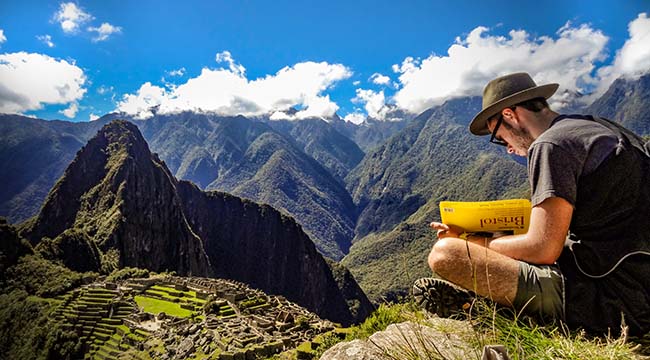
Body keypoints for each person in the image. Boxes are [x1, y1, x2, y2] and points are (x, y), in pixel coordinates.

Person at [412, 72, 650, 336]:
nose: (508, 149)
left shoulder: (550, 145)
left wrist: (470, 242)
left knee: (446, 253)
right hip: (636, 281)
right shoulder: (598, 127)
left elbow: (542, 249)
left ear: (510, 115)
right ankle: (491, 303)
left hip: (613, 301)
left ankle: (492, 311)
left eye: (499, 138)